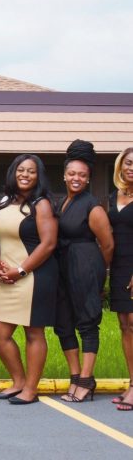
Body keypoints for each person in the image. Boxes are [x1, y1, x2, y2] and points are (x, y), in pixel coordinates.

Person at [0, 154, 58, 405]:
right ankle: (18, 381)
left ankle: (30, 388)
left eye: (31, 171)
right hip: (6, 277)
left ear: (38, 176)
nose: (25, 175)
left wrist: (20, 270)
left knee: (33, 333)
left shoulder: (42, 204)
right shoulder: (5, 202)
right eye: (21, 170)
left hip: (34, 276)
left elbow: (49, 244)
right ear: (13, 173)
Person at [54, 140, 113, 403]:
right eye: (72, 174)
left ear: (88, 179)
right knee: (63, 324)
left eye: (82, 175)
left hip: (86, 265)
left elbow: (108, 244)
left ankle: (87, 381)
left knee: (87, 323)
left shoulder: (93, 206)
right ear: (64, 175)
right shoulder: (62, 202)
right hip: (63, 268)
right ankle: (75, 376)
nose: (76, 178)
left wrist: (95, 273)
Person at [109, 147, 133, 411]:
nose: (131, 168)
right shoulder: (115, 195)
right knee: (125, 326)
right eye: (128, 163)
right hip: (118, 267)